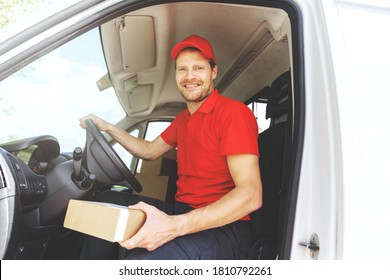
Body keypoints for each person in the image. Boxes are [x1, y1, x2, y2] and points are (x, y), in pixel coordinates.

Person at [79, 34, 262, 260]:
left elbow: (251, 196)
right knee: (107, 203)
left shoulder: (233, 114)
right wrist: (108, 127)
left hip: (224, 229)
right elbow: (148, 150)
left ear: (213, 72)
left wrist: (173, 226)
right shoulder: (183, 120)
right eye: (182, 69)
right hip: (181, 210)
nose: (190, 76)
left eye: (198, 68)